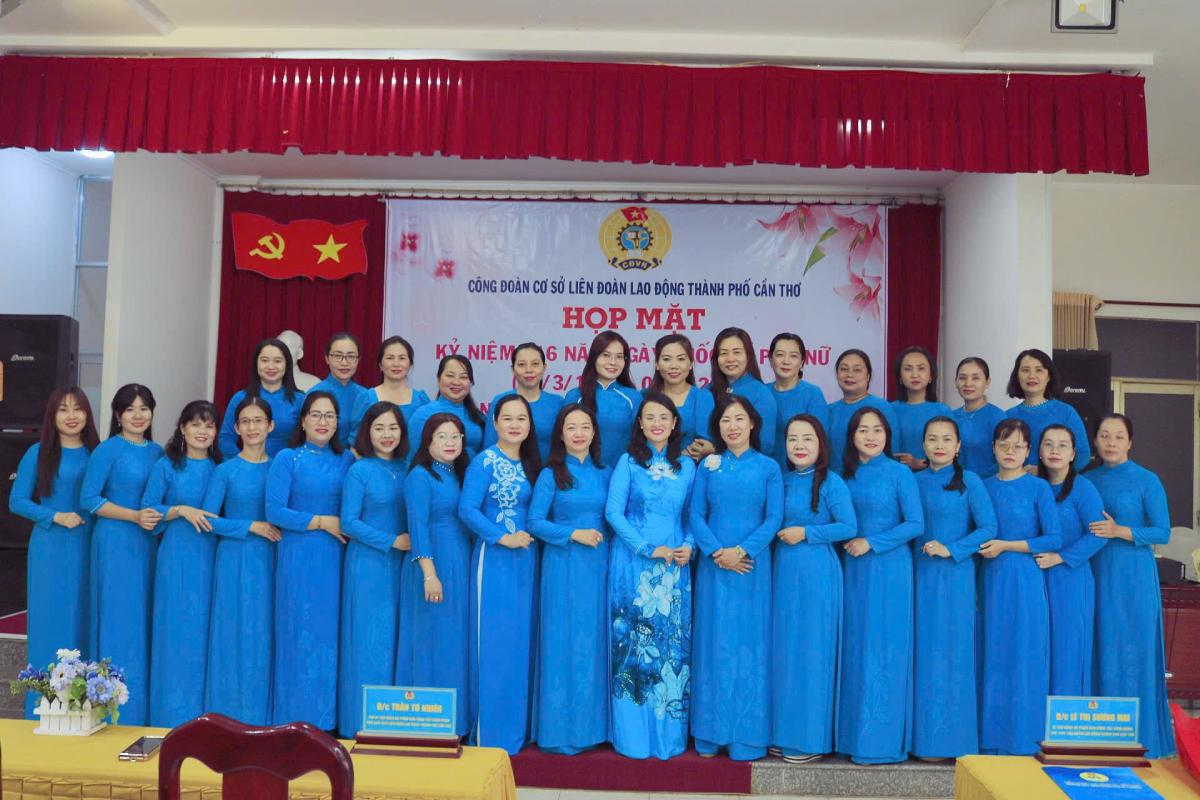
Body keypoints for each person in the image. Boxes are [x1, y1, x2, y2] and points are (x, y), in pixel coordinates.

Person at [689, 397, 783, 761]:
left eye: (739, 419)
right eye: (726, 420)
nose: (732, 426)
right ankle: (711, 733)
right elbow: (696, 514)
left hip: (753, 569)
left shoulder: (768, 468)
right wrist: (717, 552)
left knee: (751, 645)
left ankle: (747, 734)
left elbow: (773, 518)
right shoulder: (709, 467)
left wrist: (742, 551)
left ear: (753, 425)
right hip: (714, 569)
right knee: (713, 643)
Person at [606, 393, 696, 760]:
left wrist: (690, 546)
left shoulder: (687, 467)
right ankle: (633, 738)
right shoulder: (627, 463)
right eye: (649, 417)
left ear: (674, 423)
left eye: (664, 416)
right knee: (632, 649)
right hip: (633, 567)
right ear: (640, 424)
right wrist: (646, 548)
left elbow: (691, 517)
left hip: (675, 569)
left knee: (670, 648)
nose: (657, 422)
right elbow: (614, 514)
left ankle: (667, 738)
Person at [1082, 414, 1176, 758]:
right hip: (1094, 571)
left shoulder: (1147, 480)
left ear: (1130, 442)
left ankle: (1140, 737)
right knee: (1098, 644)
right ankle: (1098, 735)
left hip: (1133, 577)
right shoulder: (1086, 480)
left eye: (1118, 436)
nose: (1110, 442)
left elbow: (1162, 532)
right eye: (1104, 435)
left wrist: (1120, 530)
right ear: (1094, 441)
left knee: (1133, 647)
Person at [836, 407, 923, 764]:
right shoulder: (844, 476)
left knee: (886, 647)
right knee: (854, 647)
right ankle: (850, 738)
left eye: (877, 430)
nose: (870, 436)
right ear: (851, 435)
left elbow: (915, 523)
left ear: (888, 435)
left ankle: (882, 743)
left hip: (889, 569)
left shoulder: (900, 473)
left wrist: (872, 542)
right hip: (851, 570)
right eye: (862, 430)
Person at [266, 391, 355, 729]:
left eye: (329, 416)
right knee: (297, 630)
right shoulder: (287, 459)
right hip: (298, 556)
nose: (322, 422)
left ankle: (326, 719)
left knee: (331, 635)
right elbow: (274, 511)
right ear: (302, 421)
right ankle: (293, 719)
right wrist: (319, 521)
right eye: (315, 415)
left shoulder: (346, 460)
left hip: (337, 558)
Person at [8, 388, 99, 718]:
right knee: (51, 621)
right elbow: (16, 502)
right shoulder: (38, 452)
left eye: (78, 409)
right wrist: (55, 516)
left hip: (90, 546)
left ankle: (86, 705)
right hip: (50, 549)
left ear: (88, 415)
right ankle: (44, 708)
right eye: (63, 409)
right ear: (52, 416)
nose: (72, 415)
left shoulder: (97, 453)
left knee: (85, 618)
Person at [458, 394, 541, 754]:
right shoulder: (484, 461)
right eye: (506, 418)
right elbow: (467, 509)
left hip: (528, 562)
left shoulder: (533, 463)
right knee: (495, 645)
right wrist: (501, 537)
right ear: (494, 423)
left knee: (523, 644)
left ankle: (518, 730)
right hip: (494, 561)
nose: (514, 424)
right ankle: (490, 734)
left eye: (521, 418)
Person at [770, 414, 856, 763]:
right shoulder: (783, 480)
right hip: (784, 572)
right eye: (792, 439)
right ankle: (784, 732)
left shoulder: (832, 482)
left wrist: (806, 533)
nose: (799, 445)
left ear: (821, 443)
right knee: (786, 651)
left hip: (818, 571)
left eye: (807, 438)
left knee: (813, 651)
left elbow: (849, 526)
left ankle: (811, 739)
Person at [528, 404, 612, 754]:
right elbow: (534, 522)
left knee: (594, 643)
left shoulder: (606, 472)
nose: (578, 432)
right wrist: (572, 533)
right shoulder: (551, 474)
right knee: (562, 642)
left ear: (594, 433)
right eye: (571, 427)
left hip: (600, 568)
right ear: (560, 434)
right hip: (563, 567)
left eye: (585, 426)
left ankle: (593, 729)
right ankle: (560, 732)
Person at [911, 417, 996, 759]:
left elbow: (988, 527)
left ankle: (954, 742)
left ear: (959, 446)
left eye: (947, 439)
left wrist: (954, 548)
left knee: (953, 653)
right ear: (923, 445)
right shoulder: (912, 480)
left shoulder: (970, 482)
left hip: (955, 578)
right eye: (932, 439)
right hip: (917, 576)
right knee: (920, 653)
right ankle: (922, 741)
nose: (939, 445)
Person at [79, 383, 164, 725]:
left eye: (144, 408)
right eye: (130, 409)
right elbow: (89, 499)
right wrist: (133, 516)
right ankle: (114, 709)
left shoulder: (159, 452)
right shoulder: (107, 450)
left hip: (149, 544)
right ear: (118, 415)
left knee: (144, 620)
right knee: (119, 619)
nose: (138, 415)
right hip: (115, 543)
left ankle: (143, 707)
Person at [978, 419, 1061, 755]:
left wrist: (1007, 545)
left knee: (1024, 652)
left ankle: (1024, 738)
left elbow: (1053, 538)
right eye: (1003, 445)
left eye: (1017, 446)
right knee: (992, 651)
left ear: (1028, 451)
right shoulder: (981, 485)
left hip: (1024, 578)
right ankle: (991, 737)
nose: (1010, 452)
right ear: (993, 448)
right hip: (989, 577)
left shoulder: (1038, 487)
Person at [202, 395, 280, 725]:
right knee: (233, 631)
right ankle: (230, 715)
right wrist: (251, 525)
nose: (252, 427)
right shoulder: (225, 470)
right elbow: (208, 519)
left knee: (265, 631)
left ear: (270, 425)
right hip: (235, 557)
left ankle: (265, 715)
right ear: (235, 427)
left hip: (273, 557)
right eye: (245, 421)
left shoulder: (281, 465)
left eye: (258, 421)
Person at [395, 414, 473, 736]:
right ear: (428, 441)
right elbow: (418, 527)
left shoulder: (458, 474)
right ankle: (424, 725)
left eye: (456, 436)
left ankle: (454, 722)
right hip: (432, 566)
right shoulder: (420, 476)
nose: (450, 442)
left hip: (459, 562)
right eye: (442, 436)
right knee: (429, 639)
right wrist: (429, 573)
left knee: (454, 640)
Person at [144, 400, 220, 728]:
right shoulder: (166, 465)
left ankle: (205, 719)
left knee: (207, 632)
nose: (202, 431)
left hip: (214, 556)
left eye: (209, 425)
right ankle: (171, 717)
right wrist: (179, 510)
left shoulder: (222, 467)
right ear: (183, 428)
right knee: (176, 629)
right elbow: (147, 509)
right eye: (196, 424)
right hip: (176, 556)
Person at [337, 402, 411, 737]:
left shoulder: (408, 467)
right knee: (368, 641)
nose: (386, 434)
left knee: (397, 638)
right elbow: (349, 523)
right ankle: (361, 723)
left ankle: (394, 720)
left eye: (393, 428)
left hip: (404, 565)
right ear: (367, 431)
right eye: (379, 427)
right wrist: (391, 541)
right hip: (368, 564)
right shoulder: (359, 470)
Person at [1034, 425, 1107, 697]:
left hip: (1070, 578)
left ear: (1074, 453)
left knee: (1068, 649)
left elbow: (1099, 534)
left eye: (1063, 445)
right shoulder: (1034, 485)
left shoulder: (1082, 488)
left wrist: (1061, 557)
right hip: (1036, 576)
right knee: (1039, 648)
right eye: (1048, 444)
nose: (1055, 451)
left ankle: (1065, 727)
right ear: (1038, 451)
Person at [218, 338, 306, 459]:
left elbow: (308, 440)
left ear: (287, 365)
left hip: (288, 470)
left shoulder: (301, 400)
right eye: (264, 360)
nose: (271, 366)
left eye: (278, 361)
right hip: (248, 471)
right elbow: (225, 439)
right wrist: (244, 464)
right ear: (256, 363)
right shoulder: (240, 398)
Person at [1003, 349, 1091, 469]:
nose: (1032, 376)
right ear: (1017, 376)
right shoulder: (1007, 416)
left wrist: (1048, 475)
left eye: (1039, 370)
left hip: (1056, 486)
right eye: (1025, 370)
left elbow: (1083, 455)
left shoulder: (1066, 413)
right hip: (1016, 485)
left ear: (1049, 376)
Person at [565, 332, 641, 469]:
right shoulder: (575, 396)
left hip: (623, 475)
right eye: (606, 355)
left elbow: (643, 442)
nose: (613, 362)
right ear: (594, 358)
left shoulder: (633, 398)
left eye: (619, 357)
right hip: (582, 475)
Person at [483, 342, 565, 462]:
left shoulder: (557, 403)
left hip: (548, 475)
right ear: (513, 369)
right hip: (508, 476)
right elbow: (489, 445)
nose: (529, 370)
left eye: (535, 364)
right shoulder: (500, 401)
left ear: (544, 367)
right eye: (521, 364)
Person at [708, 327, 777, 455]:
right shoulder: (707, 390)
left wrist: (716, 451)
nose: (730, 359)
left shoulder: (761, 393)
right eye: (723, 353)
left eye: (737, 352)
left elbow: (765, 445)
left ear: (748, 355)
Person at [826, 349, 897, 474]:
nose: (849, 374)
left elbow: (892, 450)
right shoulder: (829, 410)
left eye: (857, 370)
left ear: (868, 376)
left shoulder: (881, 407)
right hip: (836, 483)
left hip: (872, 480)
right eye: (844, 369)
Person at [349, 335, 431, 443]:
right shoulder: (366, 398)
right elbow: (356, 442)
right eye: (390, 358)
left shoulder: (421, 400)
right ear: (380, 365)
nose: (396, 364)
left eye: (402, 358)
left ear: (410, 364)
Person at [406, 355, 487, 462]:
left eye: (463, 377)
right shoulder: (423, 415)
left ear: (470, 383)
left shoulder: (478, 417)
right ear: (438, 379)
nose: (456, 382)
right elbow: (413, 458)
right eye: (450, 375)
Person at [647, 333, 715, 460]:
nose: (674, 366)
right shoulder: (645, 396)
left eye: (681, 359)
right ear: (657, 364)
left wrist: (677, 462)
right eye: (667, 359)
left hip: (689, 470)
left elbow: (704, 443)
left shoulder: (702, 397)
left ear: (690, 364)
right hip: (649, 470)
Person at [767, 333, 828, 471]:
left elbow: (821, 440)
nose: (786, 361)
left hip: (800, 473)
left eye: (793, 356)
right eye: (780, 355)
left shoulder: (813, 394)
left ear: (801, 363)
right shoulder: (762, 392)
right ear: (770, 360)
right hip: (765, 472)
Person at [890, 346, 950, 471]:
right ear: (900, 377)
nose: (915, 374)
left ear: (930, 376)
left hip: (933, 479)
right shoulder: (888, 410)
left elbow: (953, 453)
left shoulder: (942, 411)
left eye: (921, 368)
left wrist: (921, 463)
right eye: (908, 369)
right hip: (895, 479)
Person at [950, 357, 1006, 479]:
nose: (968, 383)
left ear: (987, 382)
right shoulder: (951, 416)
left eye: (975, 378)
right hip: (954, 486)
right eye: (962, 378)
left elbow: (1005, 460)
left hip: (987, 486)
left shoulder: (998, 418)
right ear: (956, 382)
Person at [311, 332, 368, 449]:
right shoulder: (315, 394)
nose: (344, 363)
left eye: (351, 356)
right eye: (337, 356)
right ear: (327, 358)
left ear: (358, 360)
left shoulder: (366, 395)